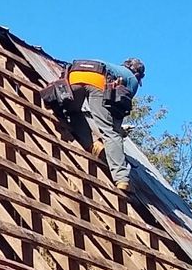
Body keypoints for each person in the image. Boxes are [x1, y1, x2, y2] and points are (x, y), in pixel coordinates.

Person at [45, 57, 145, 190]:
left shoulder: (112, 66)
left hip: (74, 76)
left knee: (73, 112)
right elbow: (121, 104)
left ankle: (92, 144)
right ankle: (122, 179)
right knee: (110, 132)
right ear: (138, 74)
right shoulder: (132, 79)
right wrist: (118, 130)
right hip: (98, 81)